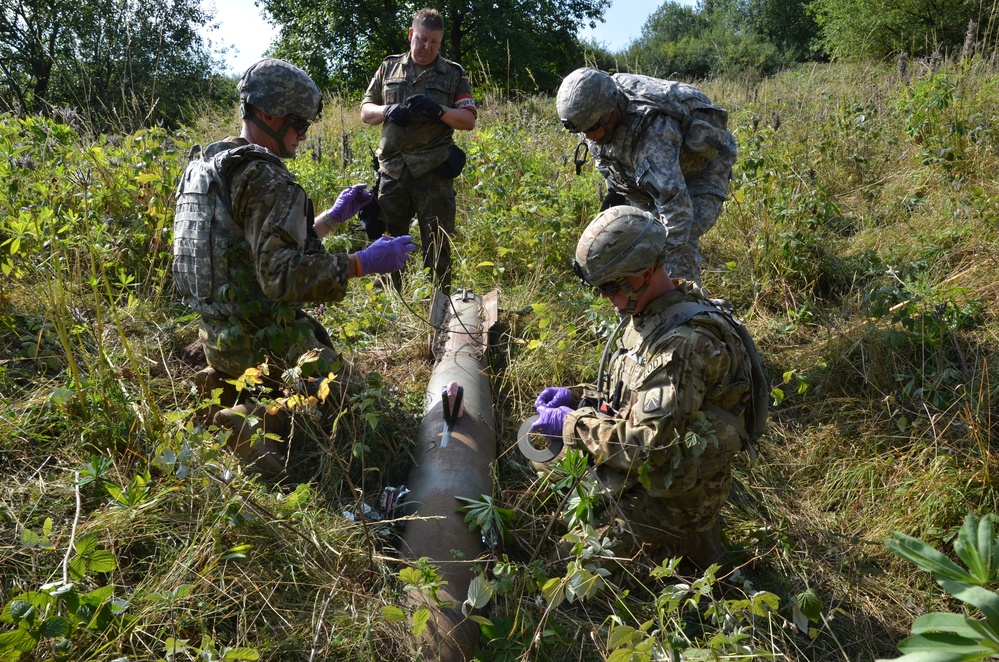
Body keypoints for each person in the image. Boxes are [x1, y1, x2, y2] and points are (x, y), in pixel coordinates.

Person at [173, 58, 416, 477]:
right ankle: (259, 419)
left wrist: (333, 218)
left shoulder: (211, 166)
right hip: (260, 338)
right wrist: (363, 262)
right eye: (298, 122)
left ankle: (218, 384)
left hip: (216, 334)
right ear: (267, 115)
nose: (303, 134)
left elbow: (252, 255)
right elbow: (280, 277)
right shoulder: (267, 179)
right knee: (350, 401)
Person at [529, 206, 762, 571]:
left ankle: (685, 539)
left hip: (673, 498)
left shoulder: (682, 346)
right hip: (652, 475)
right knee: (540, 460)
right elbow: (636, 396)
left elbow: (647, 448)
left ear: (647, 272)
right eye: (599, 288)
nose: (606, 297)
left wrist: (572, 425)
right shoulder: (652, 312)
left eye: (610, 286)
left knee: (561, 573)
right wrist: (577, 397)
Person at [555, 67, 737, 287]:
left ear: (610, 112)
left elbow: (678, 214)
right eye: (581, 131)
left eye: (592, 128)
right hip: (659, 175)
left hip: (702, 171)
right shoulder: (597, 112)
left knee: (678, 245)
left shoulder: (654, 132)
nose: (588, 137)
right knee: (636, 238)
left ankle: (686, 310)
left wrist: (652, 266)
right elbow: (618, 181)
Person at [360, 7, 477, 293]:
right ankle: (388, 308)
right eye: (422, 40)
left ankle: (439, 307)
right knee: (387, 240)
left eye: (434, 42)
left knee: (437, 246)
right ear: (412, 34)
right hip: (392, 171)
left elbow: (469, 119)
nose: (427, 47)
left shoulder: (452, 74)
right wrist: (387, 110)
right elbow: (365, 111)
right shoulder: (389, 67)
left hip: (433, 172)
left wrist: (439, 110)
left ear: (441, 42)